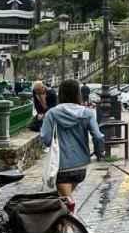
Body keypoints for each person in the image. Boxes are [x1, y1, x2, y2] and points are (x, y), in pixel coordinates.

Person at [40, 79, 104, 213]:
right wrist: (99, 153)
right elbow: (98, 136)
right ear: (78, 94)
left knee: (66, 202)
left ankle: (71, 228)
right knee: (64, 201)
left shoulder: (52, 113)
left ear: (60, 94)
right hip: (80, 166)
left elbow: (45, 139)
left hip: (61, 166)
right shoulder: (86, 113)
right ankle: (64, 228)